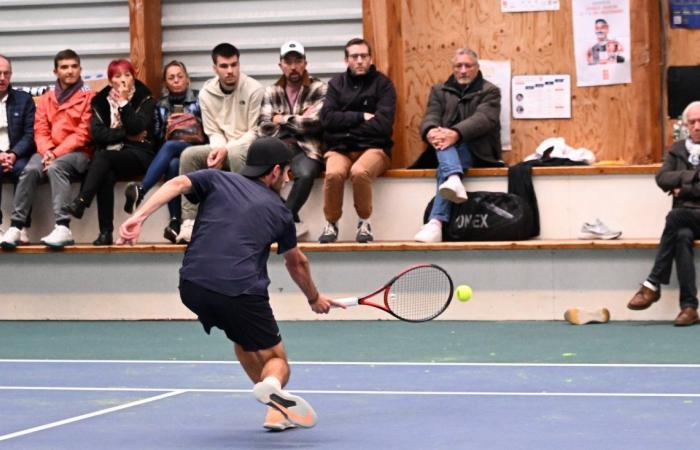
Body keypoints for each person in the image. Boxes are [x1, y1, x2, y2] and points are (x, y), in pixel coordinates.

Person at [117, 136, 342, 431]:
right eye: (287, 171)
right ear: (274, 171)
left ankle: (275, 412)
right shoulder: (281, 212)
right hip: (239, 290)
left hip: (192, 285)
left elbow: (175, 184)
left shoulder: (216, 178)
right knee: (276, 359)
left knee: (243, 341)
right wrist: (314, 298)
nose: (289, 178)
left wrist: (138, 217)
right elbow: (296, 262)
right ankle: (273, 385)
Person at [1, 49, 93, 249]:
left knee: (56, 167)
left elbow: (83, 133)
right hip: (47, 152)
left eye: (74, 66)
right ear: (55, 71)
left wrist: (56, 154)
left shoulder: (89, 97)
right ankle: (17, 227)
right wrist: (48, 151)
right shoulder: (47, 98)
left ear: (80, 69)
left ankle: (63, 226)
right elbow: (39, 130)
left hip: (79, 153)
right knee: (29, 170)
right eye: (64, 67)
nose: (70, 71)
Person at [176, 43, 264, 243]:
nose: (230, 71)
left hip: (247, 148)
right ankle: (189, 221)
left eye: (234, 65)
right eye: (224, 66)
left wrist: (225, 150)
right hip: (221, 145)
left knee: (234, 154)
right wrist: (218, 150)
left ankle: (244, 217)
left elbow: (254, 132)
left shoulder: (254, 89)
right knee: (188, 155)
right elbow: (213, 131)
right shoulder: (206, 93)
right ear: (215, 68)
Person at [413, 48, 502, 243]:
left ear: (477, 68)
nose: (463, 70)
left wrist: (455, 134)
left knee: (446, 155)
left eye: (468, 66)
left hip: (478, 151)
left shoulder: (490, 91)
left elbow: (484, 119)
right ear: (453, 69)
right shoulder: (439, 91)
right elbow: (431, 115)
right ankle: (452, 180)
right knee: (446, 148)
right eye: (458, 66)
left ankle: (436, 220)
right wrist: (430, 131)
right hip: (446, 147)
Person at [64, 59, 155, 246]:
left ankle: (82, 200)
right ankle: (105, 233)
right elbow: (98, 134)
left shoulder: (145, 98)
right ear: (110, 80)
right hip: (113, 155)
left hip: (139, 153)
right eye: (117, 76)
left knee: (102, 157)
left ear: (134, 76)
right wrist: (126, 135)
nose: (123, 80)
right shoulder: (100, 101)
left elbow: (137, 125)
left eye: (127, 75)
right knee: (105, 173)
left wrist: (123, 102)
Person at [627, 101, 700, 327]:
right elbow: (662, 179)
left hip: (683, 213)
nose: (697, 126)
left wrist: (683, 187)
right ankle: (689, 307)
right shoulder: (677, 149)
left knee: (674, 218)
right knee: (680, 235)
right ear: (686, 125)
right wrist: (694, 178)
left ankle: (653, 283)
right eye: (692, 122)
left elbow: (674, 181)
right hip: (687, 217)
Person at [318, 38, 396, 243]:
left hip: (374, 149)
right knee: (334, 173)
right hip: (339, 148)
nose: (359, 60)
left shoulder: (384, 85)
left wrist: (344, 125)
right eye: (354, 56)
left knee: (359, 172)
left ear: (371, 59)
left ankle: (364, 223)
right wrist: (360, 117)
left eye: (364, 56)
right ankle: (331, 223)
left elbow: (383, 126)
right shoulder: (336, 85)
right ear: (346, 60)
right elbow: (326, 119)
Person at [123, 60, 205, 243]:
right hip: (174, 154)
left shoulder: (200, 99)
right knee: (173, 163)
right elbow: (158, 138)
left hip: (197, 149)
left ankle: (142, 190)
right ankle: (175, 222)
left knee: (171, 148)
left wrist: (191, 123)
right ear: (165, 83)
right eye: (171, 77)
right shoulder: (160, 106)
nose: (176, 80)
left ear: (188, 79)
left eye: (180, 76)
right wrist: (168, 126)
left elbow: (210, 129)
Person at [258, 41, 326, 239]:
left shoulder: (319, 89)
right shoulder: (271, 92)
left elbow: (316, 123)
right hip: (278, 147)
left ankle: (280, 222)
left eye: (298, 61)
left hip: (307, 148)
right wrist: (299, 119)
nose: (293, 66)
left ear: (306, 63)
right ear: (281, 65)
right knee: (256, 174)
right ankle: (292, 218)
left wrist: (281, 119)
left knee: (305, 174)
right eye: (288, 62)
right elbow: (263, 127)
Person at [0, 54, 35, 245]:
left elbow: (30, 134)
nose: (2, 78)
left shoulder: (24, 99)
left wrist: (13, 154)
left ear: (11, 75)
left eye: (6, 73)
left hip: (18, 154)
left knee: (24, 171)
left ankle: (20, 226)